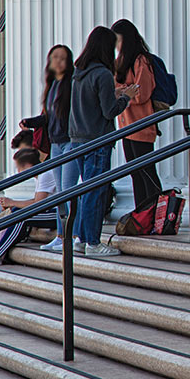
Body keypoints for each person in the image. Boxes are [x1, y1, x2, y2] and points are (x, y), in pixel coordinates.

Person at [67, 25, 129, 257]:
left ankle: (81, 240)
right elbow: (109, 111)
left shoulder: (78, 73)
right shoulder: (103, 74)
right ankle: (92, 242)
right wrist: (126, 98)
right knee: (95, 191)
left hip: (78, 138)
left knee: (86, 190)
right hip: (97, 140)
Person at [111, 19, 162, 216]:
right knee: (135, 173)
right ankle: (143, 214)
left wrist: (122, 92)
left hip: (142, 125)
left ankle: (155, 214)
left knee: (146, 172)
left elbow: (142, 94)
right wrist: (126, 92)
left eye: (118, 40)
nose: (115, 45)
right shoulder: (119, 62)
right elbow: (112, 90)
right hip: (126, 125)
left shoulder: (141, 60)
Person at [26, 44, 75, 252]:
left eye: (63, 58)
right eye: (55, 57)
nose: (58, 61)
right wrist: (31, 122)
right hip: (56, 143)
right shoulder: (52, 85)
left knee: (68, 189)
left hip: (71, 141)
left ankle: (70, 235)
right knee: (61, 192)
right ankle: (61, 235)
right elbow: (48, 117)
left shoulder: (71, 84)